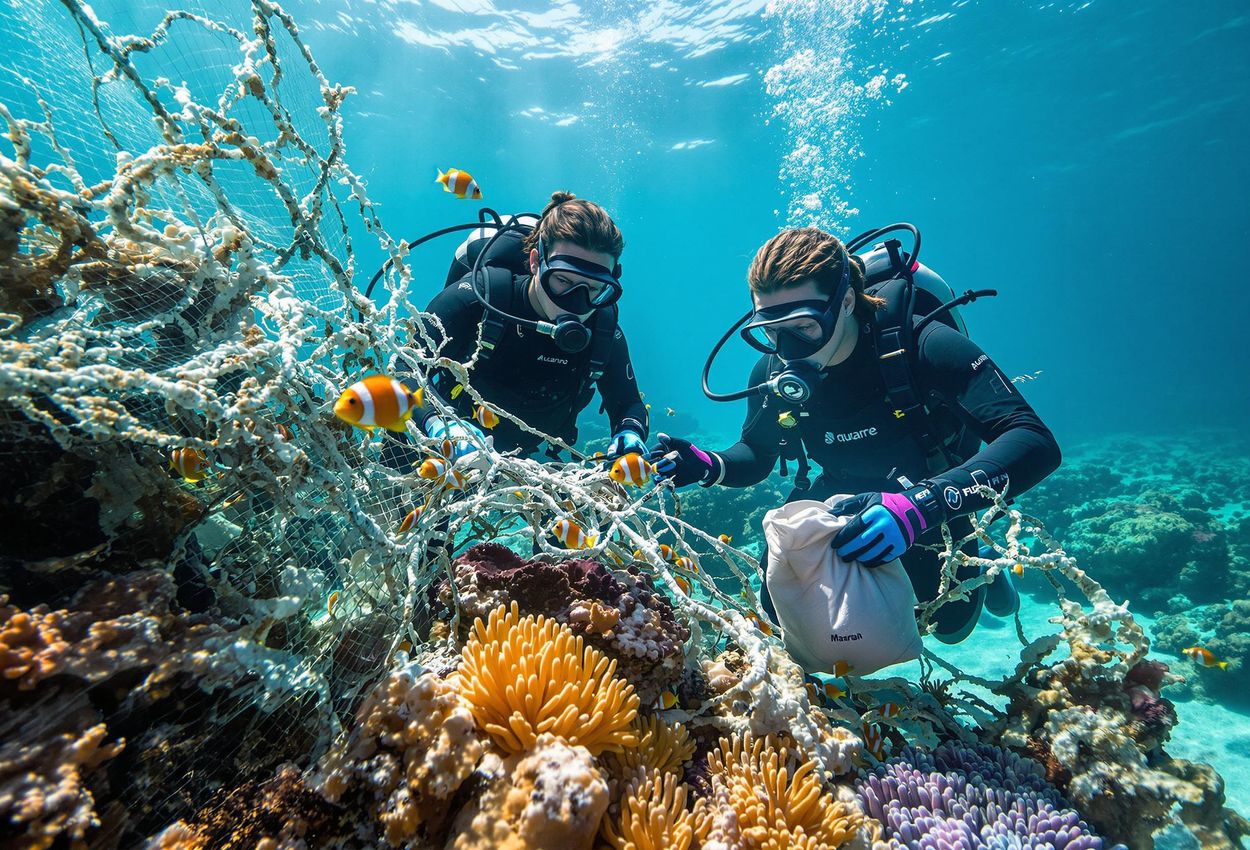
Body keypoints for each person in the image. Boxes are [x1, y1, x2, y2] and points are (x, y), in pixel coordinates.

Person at [649, 226, 1061, 644]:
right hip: (838, 490)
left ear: (845, 303)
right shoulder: (773, 372)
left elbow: (1033, 440)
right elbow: (756, 453)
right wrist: (707, 464)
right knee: (779, 614)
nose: (788, 349)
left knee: (947, 626)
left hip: (924, 490)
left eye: (804, 327)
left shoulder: (923, 344)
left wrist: (921, 507)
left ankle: (987, 569)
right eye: (772, 329)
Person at [415, 192, 649, 461]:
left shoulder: (603, 328)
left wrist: (629, 433)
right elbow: (405, 367)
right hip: (437, 451)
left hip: (523, 459)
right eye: (563, 281)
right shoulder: (478, 297)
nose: (576, 303)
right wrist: (437, 423)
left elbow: (628, 402)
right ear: (536, 262)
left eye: (594, 288)